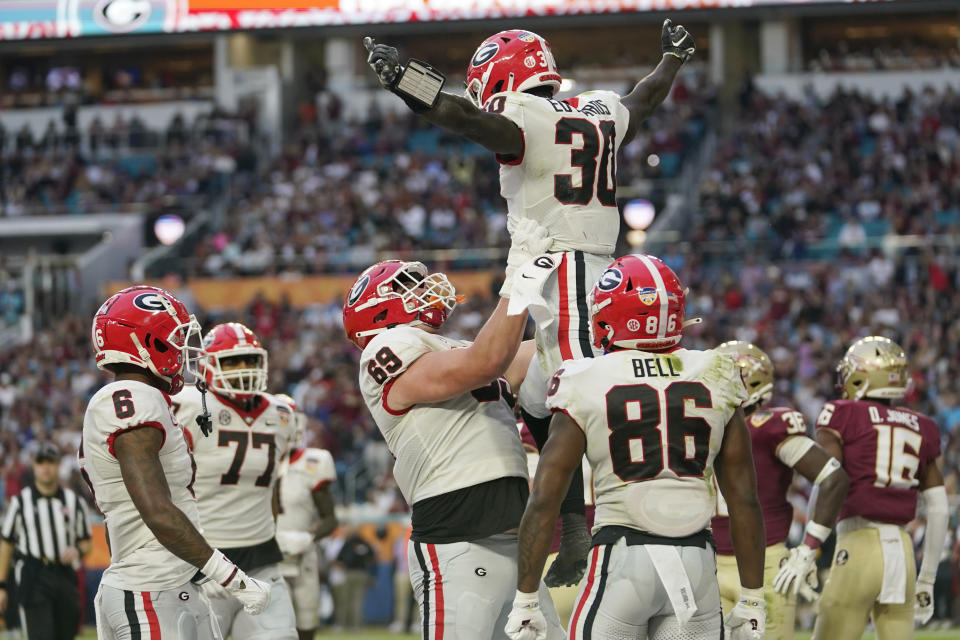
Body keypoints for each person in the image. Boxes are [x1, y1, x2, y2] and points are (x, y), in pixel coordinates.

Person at [363, 20, 696, 585]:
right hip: (581, 272)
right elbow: (646, 98)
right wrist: (672, 59)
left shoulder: (526, 119)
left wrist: (404, 80)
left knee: (580, 400)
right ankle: (574, 523)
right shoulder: (600, 111)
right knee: (539, 400)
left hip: (563, 272)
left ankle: (622, 521)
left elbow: (462, 117)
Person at [508, 255, 767, 640]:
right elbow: (744, 497)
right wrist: (752, 597)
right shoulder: (717, 371)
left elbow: (545, 498)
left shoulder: (584, 377)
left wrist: (526, 599)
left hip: (623, 558)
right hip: (697, 562)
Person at [342, 254, 565, 640]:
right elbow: (486, 362)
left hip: (515, 535)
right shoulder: (387, 344)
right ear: (375, 310)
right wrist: (517, 283)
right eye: (405, 285)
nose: (422, 288)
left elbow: (549, 354)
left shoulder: (452, 344)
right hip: (457, 535)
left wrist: (598, 324)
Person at [78, 286, 271, 640]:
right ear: (147, 343)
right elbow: (156, 511)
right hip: (149, 589)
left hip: (169, 584)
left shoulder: (142, 397)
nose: (184, 349)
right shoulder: (130, 398)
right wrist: (231, 577)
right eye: (176, 337)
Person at [810, 336, 948, 640]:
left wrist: (809, 547)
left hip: (858, 545)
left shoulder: (842, 413)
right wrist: (927, 579)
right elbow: (939, 507)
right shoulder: (921, 424)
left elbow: (826, 482)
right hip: (904, 551)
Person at [709, 341, 849, 640]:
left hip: (766, 563)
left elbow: (832, 477)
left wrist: (809, 547)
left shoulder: (769, 426)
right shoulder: (698, 423)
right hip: (709, 563)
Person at [174, 322, 298, 640]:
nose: (242, 369)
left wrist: (277, 527)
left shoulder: (282, 413)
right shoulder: (186, 405)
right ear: (207, 365)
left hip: (261, 560)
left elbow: (270, 486)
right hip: (200, 564)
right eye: (232, 361)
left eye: (249, 360)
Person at [0, 443, 91, 640]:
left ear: (58, 465)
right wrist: (2, 586)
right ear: (34, 466)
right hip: (34, 575)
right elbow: (6, 544)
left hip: (65, 575)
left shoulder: (74, 502)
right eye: (41, 462)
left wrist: (77, 551)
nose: (46, 467)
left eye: (50, 461)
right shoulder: (20, 503)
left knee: (66, 635)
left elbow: (86, 542)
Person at [275, 394, 338, 640]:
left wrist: (308, 539)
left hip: (302, 555)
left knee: (306, 617)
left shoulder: (315, 461)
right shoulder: (254, 459)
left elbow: (330, 519)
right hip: (264, 554)